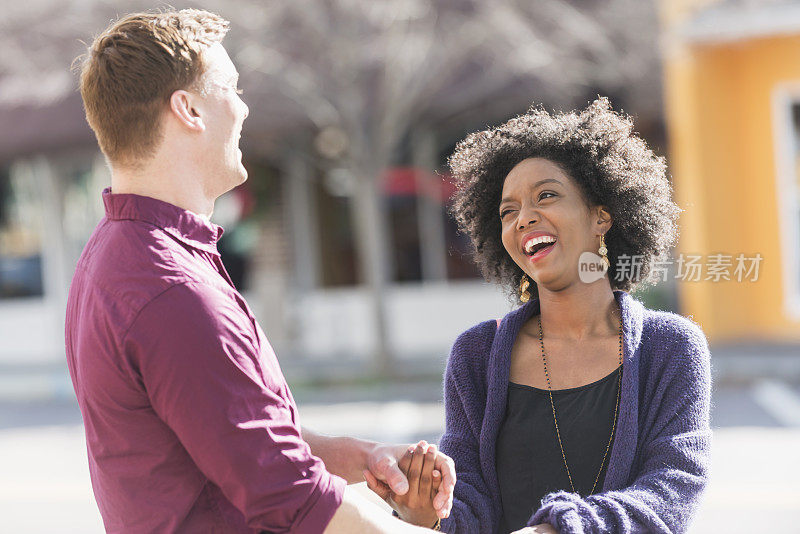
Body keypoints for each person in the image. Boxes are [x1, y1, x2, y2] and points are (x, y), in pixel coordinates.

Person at [65, 9, 454, 533]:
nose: (244, 108)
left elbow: (233, 437)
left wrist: (361, 458)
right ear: (189, 109)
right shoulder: (172, 290)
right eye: (231, 86)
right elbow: (295, 503)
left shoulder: (113, 259)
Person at [380, 98, 712, 533]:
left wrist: (559, 528)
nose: (524, 218)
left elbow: (673, 488)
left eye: (546, 195)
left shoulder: (670, 346)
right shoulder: (476, 356)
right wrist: (428, 512)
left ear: (601, 217)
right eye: (507, 211)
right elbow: (468, 505)